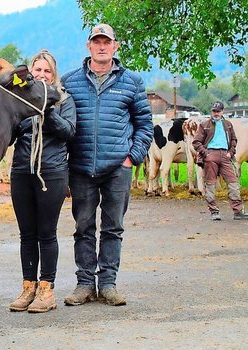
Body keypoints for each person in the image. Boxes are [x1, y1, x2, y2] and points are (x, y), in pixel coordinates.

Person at [61, 23, 153, 306]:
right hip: (81, 168)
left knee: (113, 228)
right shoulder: (70, 81)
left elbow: (145, 125)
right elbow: (62, 125)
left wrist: (130, 158)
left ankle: (109, 284)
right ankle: (85, 284)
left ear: (115, 46)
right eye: (96, 41)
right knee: (83, 227)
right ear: (88, 46)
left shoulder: (132, 82)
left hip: (117, 169)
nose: (102, 46)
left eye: (107, 42)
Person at [8, 49, 76, 313]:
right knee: (27, 234)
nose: (42, 74)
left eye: (47, 71)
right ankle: (28, 287)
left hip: (52, 171)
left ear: (53, 74)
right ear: (31, 73)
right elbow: (11, 134)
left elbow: (69, 132)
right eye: (38, 70)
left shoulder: (63, 100)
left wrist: (48, 110)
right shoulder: (19, 100)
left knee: (46, 233)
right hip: (22, 171)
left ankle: (47, 289)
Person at [192, 101, 248, 221]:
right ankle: (214, 211)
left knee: (233, 182)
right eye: (214, 111)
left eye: (218, 111)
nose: (216, 113)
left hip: (225, 155)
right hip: (211, 155)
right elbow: (196, 141)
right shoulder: (204, 124)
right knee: (211, 183)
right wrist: (205, 153)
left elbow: (233, 139)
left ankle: (238, 211)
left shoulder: (227, 124)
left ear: (222, 111)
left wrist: (231, 152)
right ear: (211, 112)